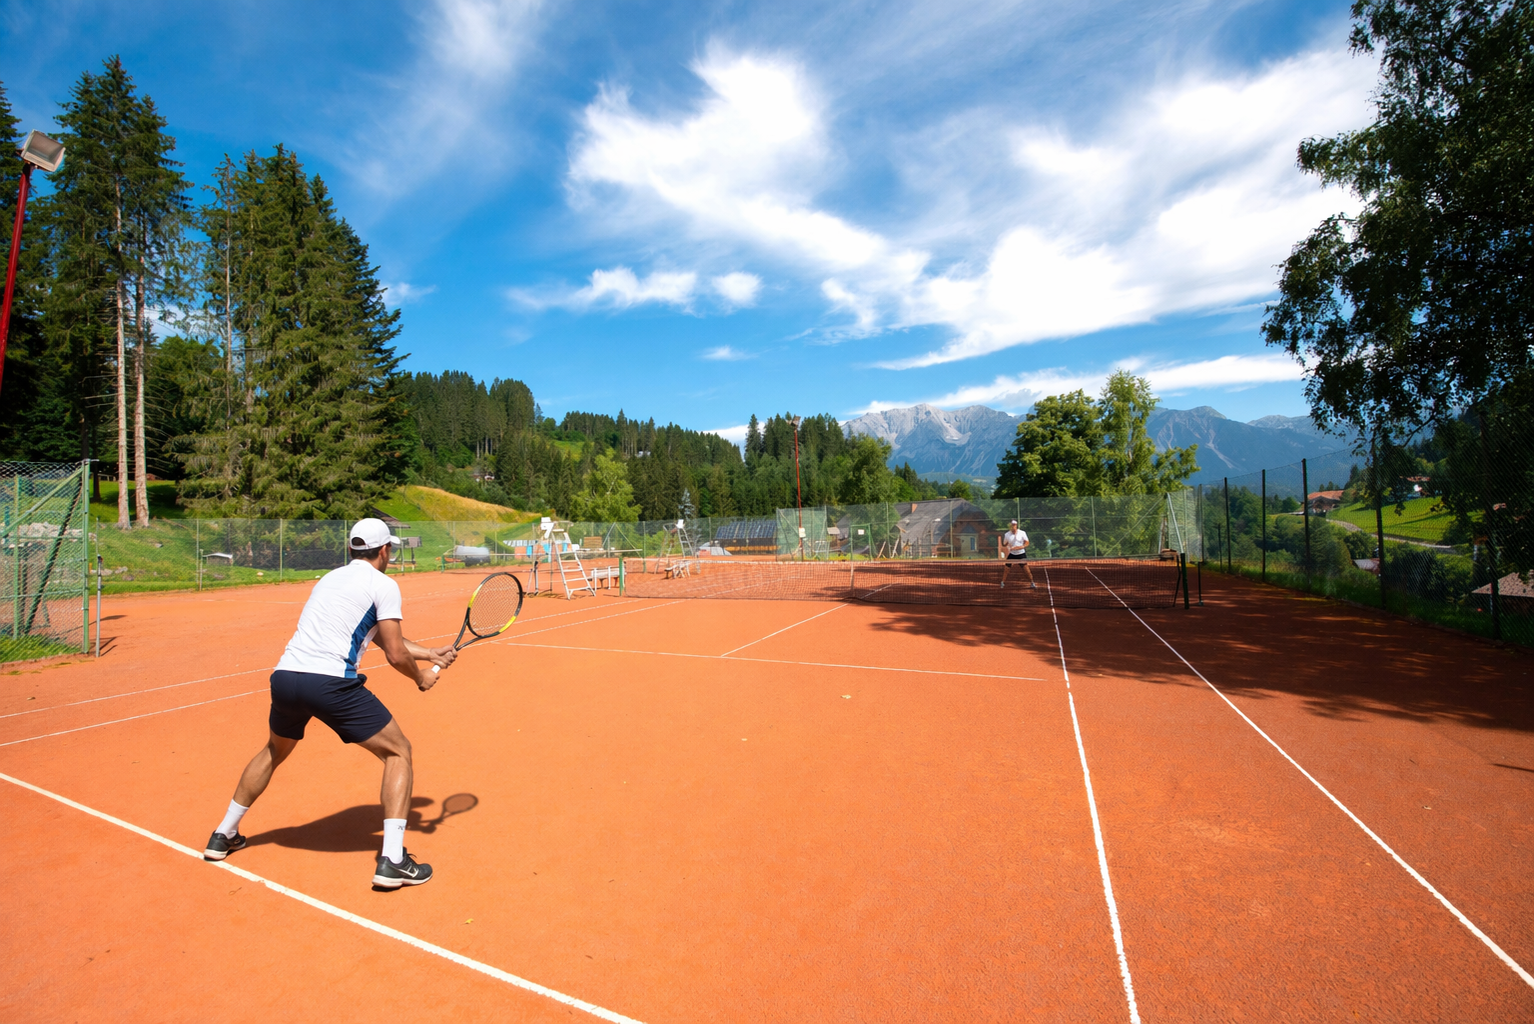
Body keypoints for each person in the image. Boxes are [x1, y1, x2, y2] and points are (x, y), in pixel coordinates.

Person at [203, 518, 456, 889]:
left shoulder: (330, 578)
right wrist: (421, 677)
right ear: (384, 550)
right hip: (330, 682)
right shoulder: (383, 584)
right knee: (398, 752)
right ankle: (394, 861)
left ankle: (223, 835)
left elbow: (386, 642)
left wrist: (429, 652)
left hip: (286, 677)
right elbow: (394, 652)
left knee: (275, 750)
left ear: (352, 550)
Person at [999, 518, 1036, 589]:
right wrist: (1010, 547)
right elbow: (1005, 543)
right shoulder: (1007, 535)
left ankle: (1032, 582)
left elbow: (1027, 542)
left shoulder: (1022, 533)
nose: (1013, 526)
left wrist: (1021, 547)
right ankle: (1002, 583)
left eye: (1014, 525)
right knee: (1006, 569)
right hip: (1012, 554)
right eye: (1012, 525)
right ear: (1010, 526)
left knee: (1026, 570)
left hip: (1021, 554)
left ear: (1016, 525)